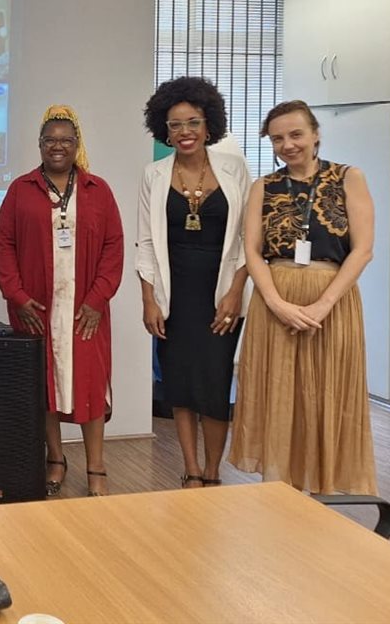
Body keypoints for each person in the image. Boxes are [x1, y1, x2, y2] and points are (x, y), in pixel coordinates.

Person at [230, 100, 377, 495]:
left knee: (326, 394)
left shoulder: (349, 178)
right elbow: (253, 252)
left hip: (331, 304)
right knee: (279, 394)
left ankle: (324, 489)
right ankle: (283, 492)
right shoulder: (265, 186)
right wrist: (277, 304)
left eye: (296, 134)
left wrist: (322, 305)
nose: (287, 145)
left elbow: (362, 250)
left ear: (315, 135)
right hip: (274, 301)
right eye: (278, 138)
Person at [0, 104, 124, 497]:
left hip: (86, 311)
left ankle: (96, 468)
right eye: (50, 140)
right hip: (36, 310)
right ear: (38, 144)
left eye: (65, 140)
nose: (57, 146)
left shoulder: (98, 190)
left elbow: (113, 247)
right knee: (44, 387)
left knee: (90, 387)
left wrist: (97, 299)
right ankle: (55, 458)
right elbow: (5, 245)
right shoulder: (21, 189)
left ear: (76, 145)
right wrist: (16, 297)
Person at [138, 77, 251, 489]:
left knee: (216, 382)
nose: (184, 132)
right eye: (175, 125)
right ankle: (190, 470)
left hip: (220, 292)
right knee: (180, 382)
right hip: (175, 291)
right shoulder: (153, 174)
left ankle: (213, 470)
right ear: (163, 130)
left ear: (209, 125)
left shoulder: (234, 168)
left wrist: (236, 293)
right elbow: (146, 243)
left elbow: (246, 238)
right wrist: (149, 299)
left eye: (192, 122)